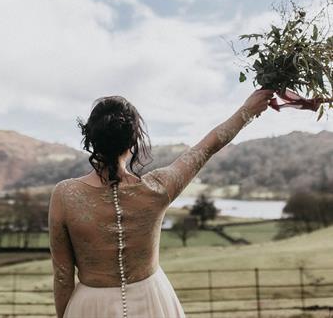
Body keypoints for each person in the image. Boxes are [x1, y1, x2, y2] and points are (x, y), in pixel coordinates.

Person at [48, 88, 275, 318]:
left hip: (90, 307)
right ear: (133, 142)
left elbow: (62, 276)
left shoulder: (65, 195)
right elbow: (207, 147)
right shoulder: (158, 188)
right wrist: (247, 110)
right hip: (153, 301)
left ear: (92, 139)